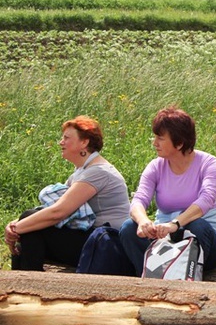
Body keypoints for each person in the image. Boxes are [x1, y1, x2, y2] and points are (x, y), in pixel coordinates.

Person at [4, 116, 130, 271]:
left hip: (107, 245)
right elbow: (51, 207)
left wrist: (17, 228)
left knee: (31, 226)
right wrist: (15, 224)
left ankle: (27, 284)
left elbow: (58, 212)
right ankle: (22, 282)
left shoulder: (99, 171)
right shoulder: (82, 171)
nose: (61, 142)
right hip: (93, 238)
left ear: (84, 142)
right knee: (29, 222)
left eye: (66, 138)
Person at [120, 107, 216, 276]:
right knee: (128, 228)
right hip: (165, 243)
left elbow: (206, 200)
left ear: (179, 143)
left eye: (160, 139)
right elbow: (139, 200)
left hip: (206, 243)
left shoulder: (209, 163)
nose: (154, 143)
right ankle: (148, 277)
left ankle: (191, 274)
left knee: (196, 226)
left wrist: (175, 224)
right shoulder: (155, 166)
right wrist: (143, 221)